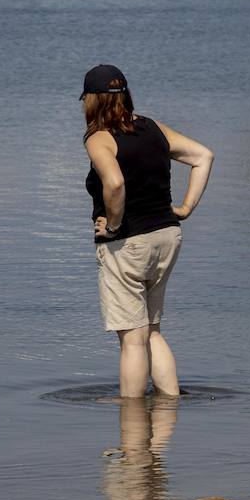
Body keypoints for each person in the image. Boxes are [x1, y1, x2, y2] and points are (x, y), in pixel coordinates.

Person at [81, 64, 214, 398]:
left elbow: (114, 182)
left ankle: (133, 427)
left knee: (131, 339)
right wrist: (184, 209)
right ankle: (169, 409)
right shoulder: (153, 128)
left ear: (91, 101)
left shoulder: (99, 137)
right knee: (152, 331)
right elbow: (203, 156)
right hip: (167, 237)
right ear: (125, 94)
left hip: (128, 244)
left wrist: (112, 226)